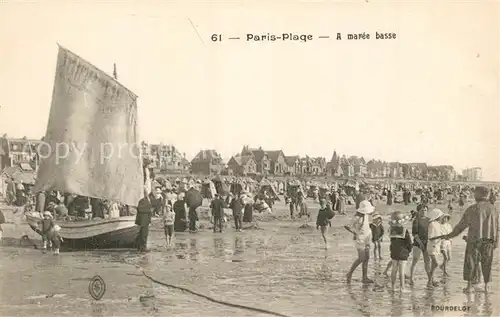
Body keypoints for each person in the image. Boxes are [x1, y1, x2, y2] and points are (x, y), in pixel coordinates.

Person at [430, 186, 499, 293]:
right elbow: (497, 228)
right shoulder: (494, 209)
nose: (474, 195)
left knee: (470, 263)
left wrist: (449, 236)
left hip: (473, 241)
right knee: (487, 264)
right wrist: (496, 242)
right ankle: (486, 287)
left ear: (479, 195)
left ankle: (469, 286)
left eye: (475, 193)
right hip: (489, 241)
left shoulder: (472, 208)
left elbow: (461, 226)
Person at [344, 200, 375, 284]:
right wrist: (354, 232)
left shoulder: (366, 215)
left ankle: (365, 277)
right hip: (360, 239)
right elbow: (347, 226)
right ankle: (349, 273)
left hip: (367, 237)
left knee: (367, 257)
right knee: (361, 258)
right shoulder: (356, 217)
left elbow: (366, 224)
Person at [388, 210, 412, 292]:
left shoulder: (391, 230)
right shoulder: (405, 231)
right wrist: (409, 251)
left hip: (394, 253)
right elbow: (409, 242)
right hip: (403, 253)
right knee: (402, 271)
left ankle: (393, 287)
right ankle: (402, 288)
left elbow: (392, 242)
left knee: (394, 270)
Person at [406, 204, 430, 285]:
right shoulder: (416, 220)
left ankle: (430, 279)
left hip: (427, 243)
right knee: (415, 260)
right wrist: (420, 243)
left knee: (427, 261)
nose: (424, 212)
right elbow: (415, 234)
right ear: (419, 211)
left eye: (425, 210)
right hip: (417, 243)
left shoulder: (429, 220)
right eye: (422, 210)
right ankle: (411, 279)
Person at [426, 208, 444, 288]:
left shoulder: (438, 224)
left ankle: (430, 281)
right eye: (440, 215)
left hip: (437, 246)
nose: (441, 217)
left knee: (434, 264)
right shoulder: (432, 224)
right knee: (436, 263)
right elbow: (430, 237)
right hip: (432, 246)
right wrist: (441, 236)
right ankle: (430, 281)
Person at [135, 188, 152, 252]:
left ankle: (140, 247)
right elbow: (143, 210)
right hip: (144, 221)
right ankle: (143, 247)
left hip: (143, 220)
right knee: (144, 234)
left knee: (142, 234)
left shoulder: (142, 201)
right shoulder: (144, 201)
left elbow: (139, 210)